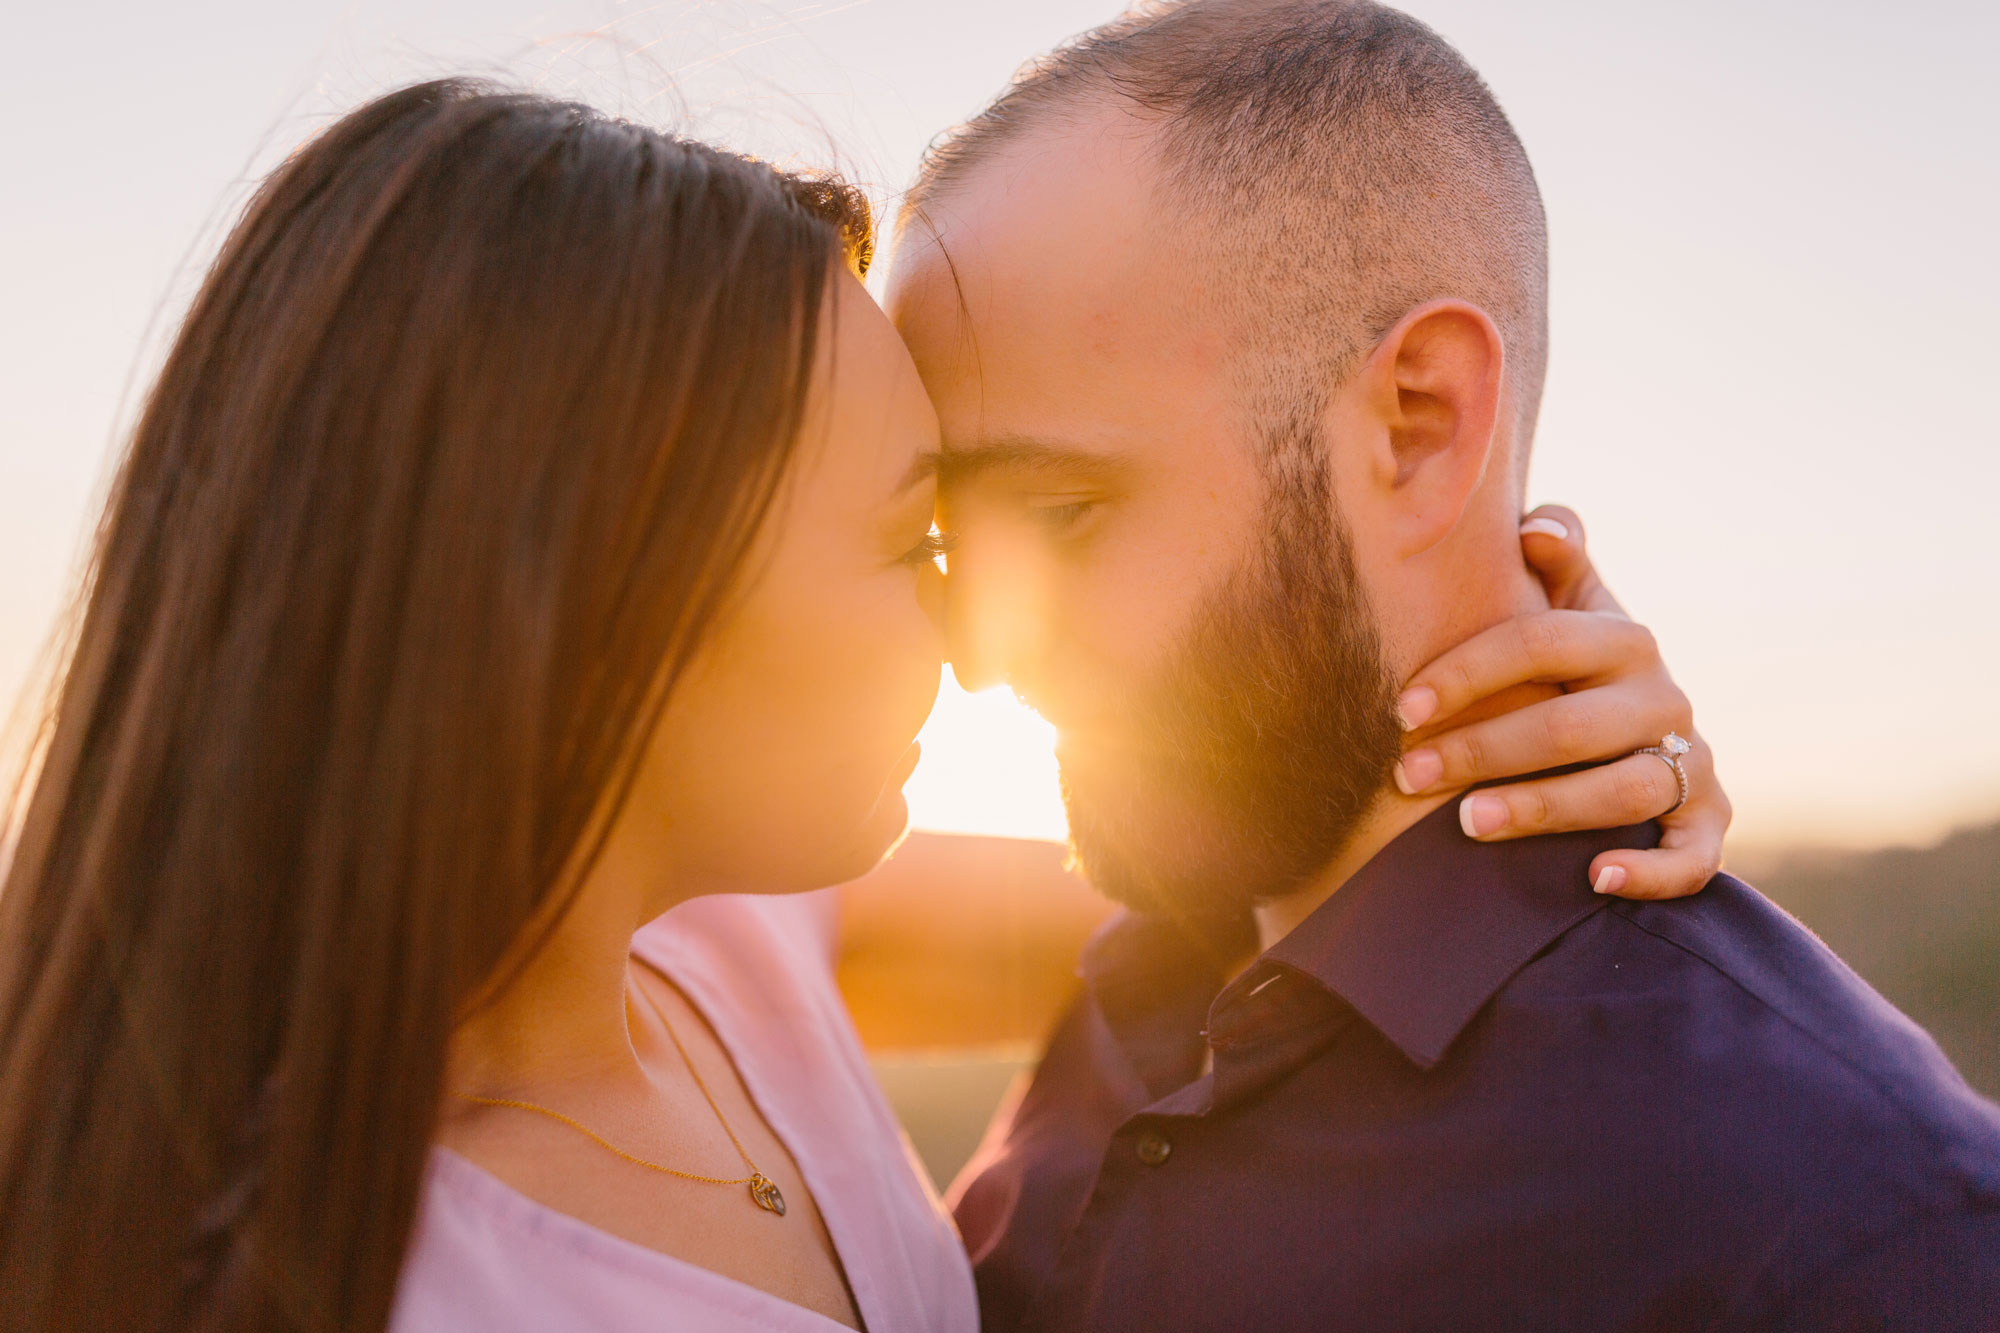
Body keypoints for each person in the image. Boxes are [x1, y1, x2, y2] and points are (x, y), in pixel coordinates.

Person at [0, 77, 1725, 1333]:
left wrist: (1504, 690)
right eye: (914, 536)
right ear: (610, 599)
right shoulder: (373, 1283)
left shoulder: (730, 944)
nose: (975, 632)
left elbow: (1269, 886)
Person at [884, 1, 2000, 1328]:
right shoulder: (1143, 959)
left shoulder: (1860, 1232)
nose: (977, 658)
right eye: (945, 543)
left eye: (1064, 513)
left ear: (1419, 424)